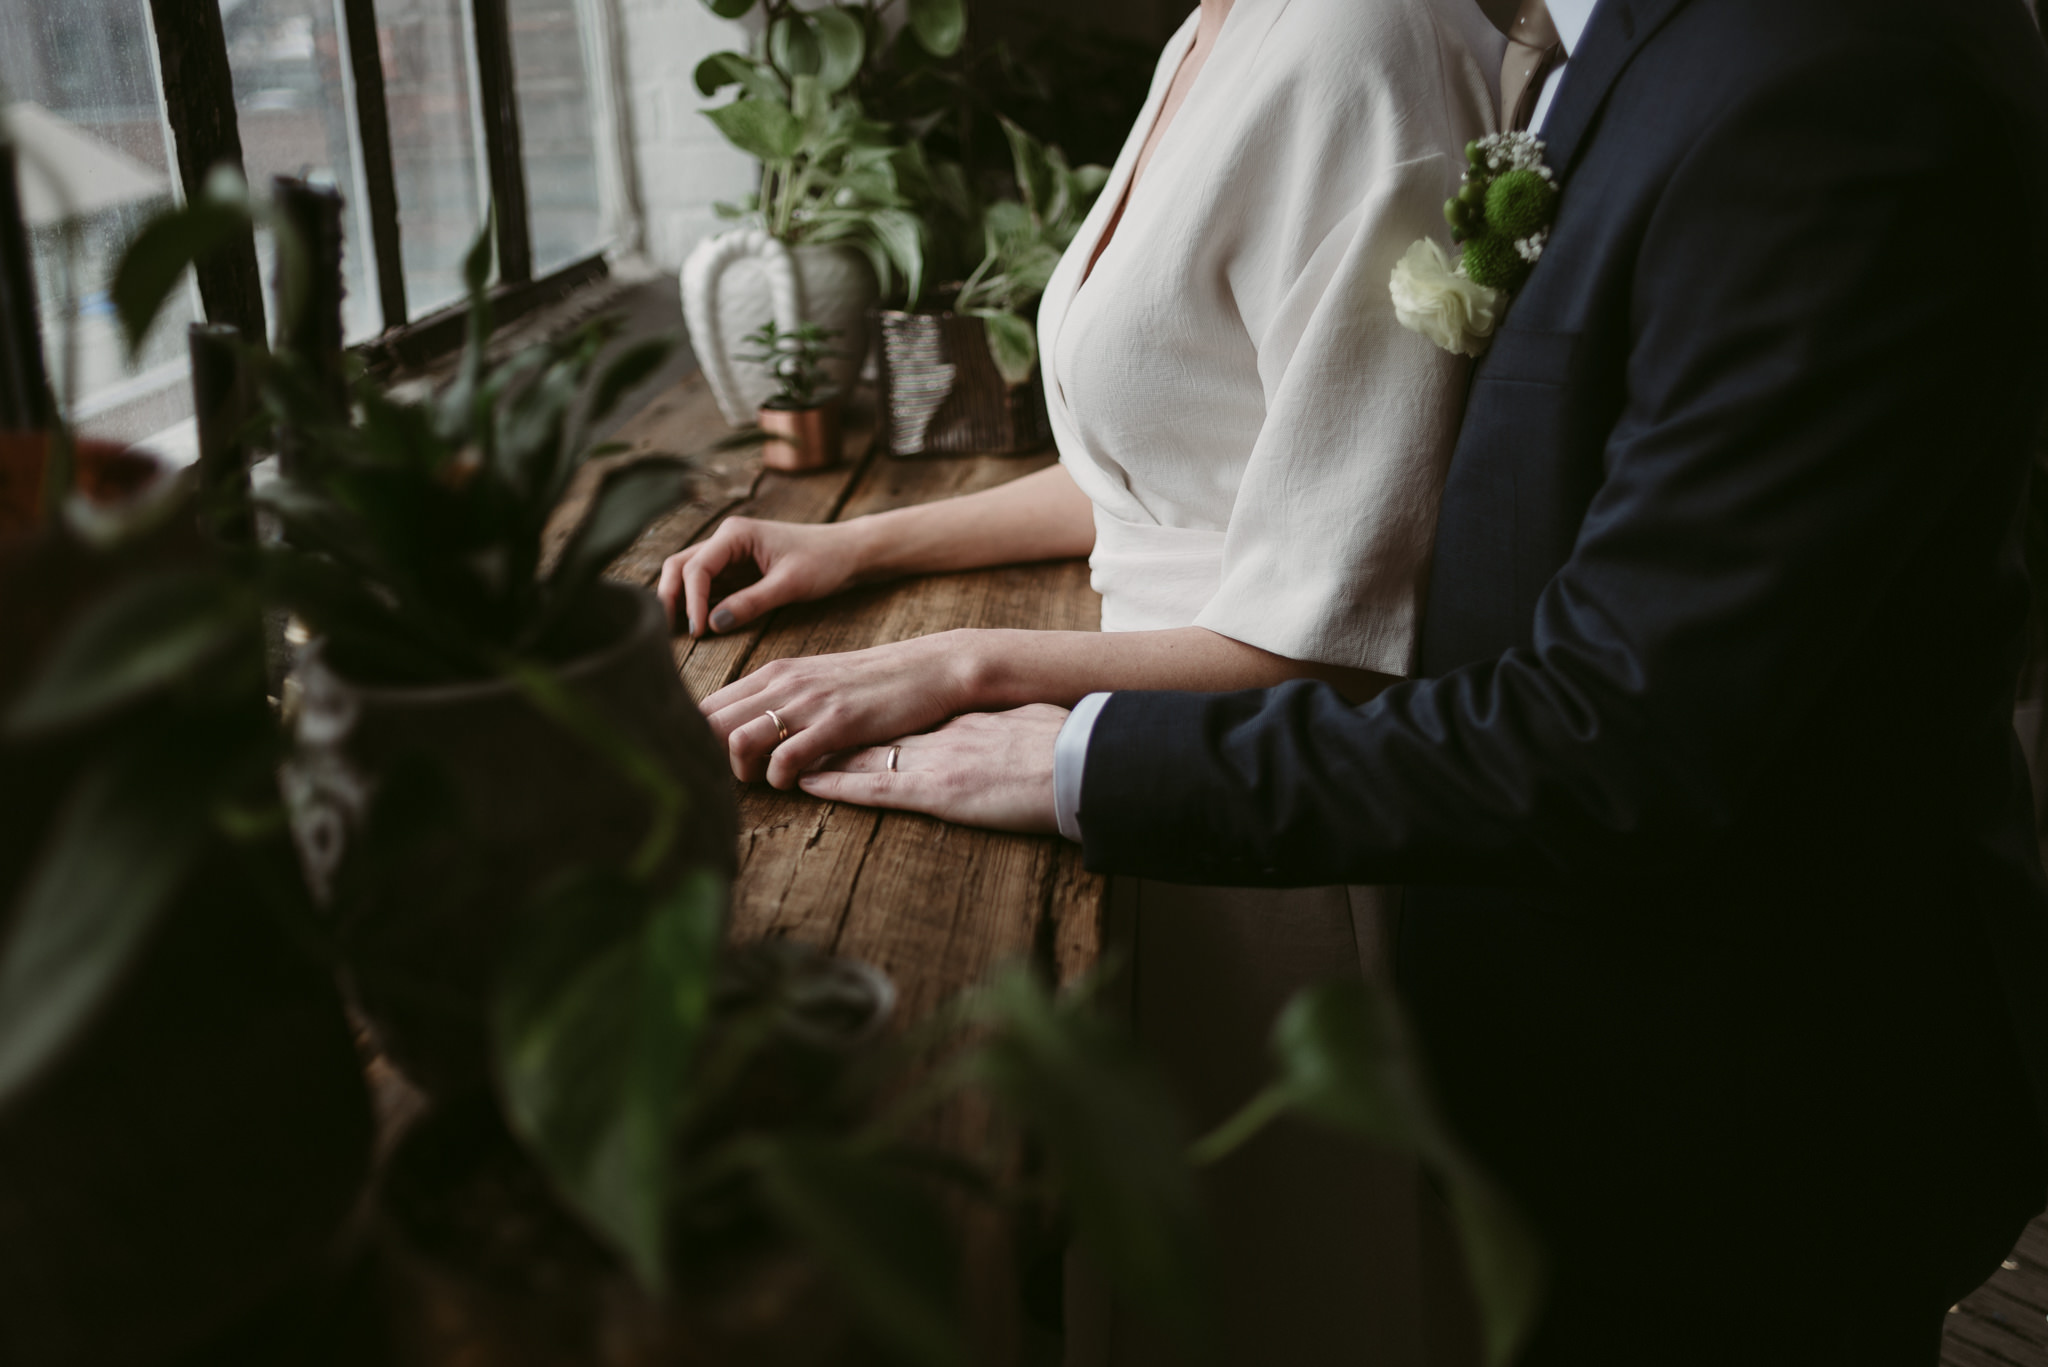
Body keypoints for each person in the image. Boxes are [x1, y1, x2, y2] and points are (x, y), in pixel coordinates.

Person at [799, 0, 2048, 1362]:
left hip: (1745, 1081)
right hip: (1560, 994)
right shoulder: (1643, 47)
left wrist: (1067, 752)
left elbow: (1619, 725)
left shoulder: (1827, 78)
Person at [659, 0, 1511, 1360]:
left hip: (1256, 813)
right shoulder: (1219, 29)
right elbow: (1175, 460)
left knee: (1275, 1295)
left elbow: (1335, 632)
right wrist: (856, 545)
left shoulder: (1370, 55)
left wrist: (957, 664)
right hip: (1136, 762)